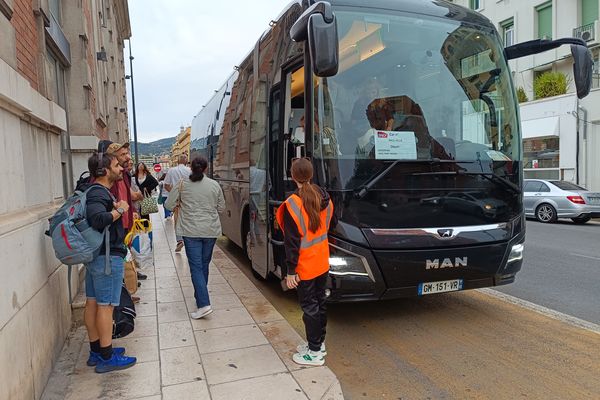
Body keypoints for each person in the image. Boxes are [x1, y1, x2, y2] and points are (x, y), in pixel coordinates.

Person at [275, 158, 334, 366]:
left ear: (293, 176)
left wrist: (291, 272)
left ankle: (315, 353)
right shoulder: (325, 198)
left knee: (309, 307)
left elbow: (291, 243)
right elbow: (329, 227)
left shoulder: (293, 204)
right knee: (320, 303)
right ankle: (318, 342)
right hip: (322, 261)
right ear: (311, 174)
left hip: (305, 266)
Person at [84, 151, 137, 373]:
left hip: (98, 256)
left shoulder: (94, 191)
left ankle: (97, 351)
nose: (120, 169)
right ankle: (106, 357)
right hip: (107, 257)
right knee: (106, 307)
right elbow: (98, 219)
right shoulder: (99, 193)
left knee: (94, 302)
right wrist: (120, 210)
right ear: (104, 171)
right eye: (116, 166)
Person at [165, 157, 225, 319]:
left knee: (196, 267)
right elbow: (222, 207)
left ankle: (204, 304)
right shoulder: (214, 185)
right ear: (206, 168)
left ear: (191, 168)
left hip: (191, 231)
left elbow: (168, 205)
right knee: (203, 265)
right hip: (210, 230)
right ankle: (200, 299)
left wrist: (180, 203)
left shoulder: (182, 184)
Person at [164, 155, 191, 252]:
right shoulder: (190, 171)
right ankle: (189, 239)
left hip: (177, 199)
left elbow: (166, 185)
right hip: (189, 198)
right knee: (189, 218)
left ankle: (180, 240)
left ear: (178, 161)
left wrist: (173, 193)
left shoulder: (171, 170)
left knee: (177, 218)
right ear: (186, 161)